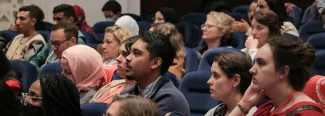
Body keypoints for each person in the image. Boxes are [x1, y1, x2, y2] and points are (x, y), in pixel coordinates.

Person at [229, 36, 325, 116]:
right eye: (255, 63)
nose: (251, 70)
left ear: (283, 72)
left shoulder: (307, 113)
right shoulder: (267, 109)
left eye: (261, 63)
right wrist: (245, 103)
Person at [121, 31, 190, 116]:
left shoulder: (169, 100)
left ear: (155, 63)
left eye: (136, 53)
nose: (127, 58)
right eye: (130, 52)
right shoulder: (126, 94)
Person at [91, 36, 138, 104]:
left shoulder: (138, 96)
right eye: (119, 54)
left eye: (125, 54)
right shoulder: (112, 85)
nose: (118, 58)